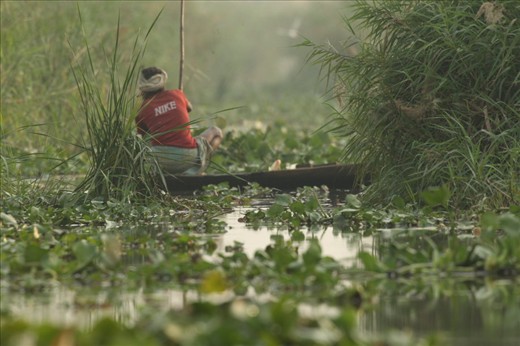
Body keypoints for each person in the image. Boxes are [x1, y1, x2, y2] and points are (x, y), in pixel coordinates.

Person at [136, 67, 222, 175]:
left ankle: (162, 175)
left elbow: (144, 136)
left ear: (143, 87)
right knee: (216, 131)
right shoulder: (177, 94)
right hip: (187, 157)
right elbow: (189, 108)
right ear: (163, 81)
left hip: (159, 162)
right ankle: (197, 169)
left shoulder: (142, 109)